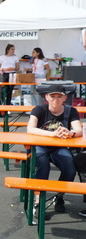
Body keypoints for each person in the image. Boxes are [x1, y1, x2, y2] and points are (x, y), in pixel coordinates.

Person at [27, 83, 81, 216]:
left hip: (59, 147)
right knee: (42, 168)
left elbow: (78, 130)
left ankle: (59, 197)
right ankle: (38, 202)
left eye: (59, 96)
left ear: (64, 98)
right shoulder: (39, 109)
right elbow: (30, 129)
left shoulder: (71, 111)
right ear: (47, 97)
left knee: (70, 169)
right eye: (52, 96)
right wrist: (52, 133)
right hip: (40, 146)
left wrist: (70, 133)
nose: (55, 99)